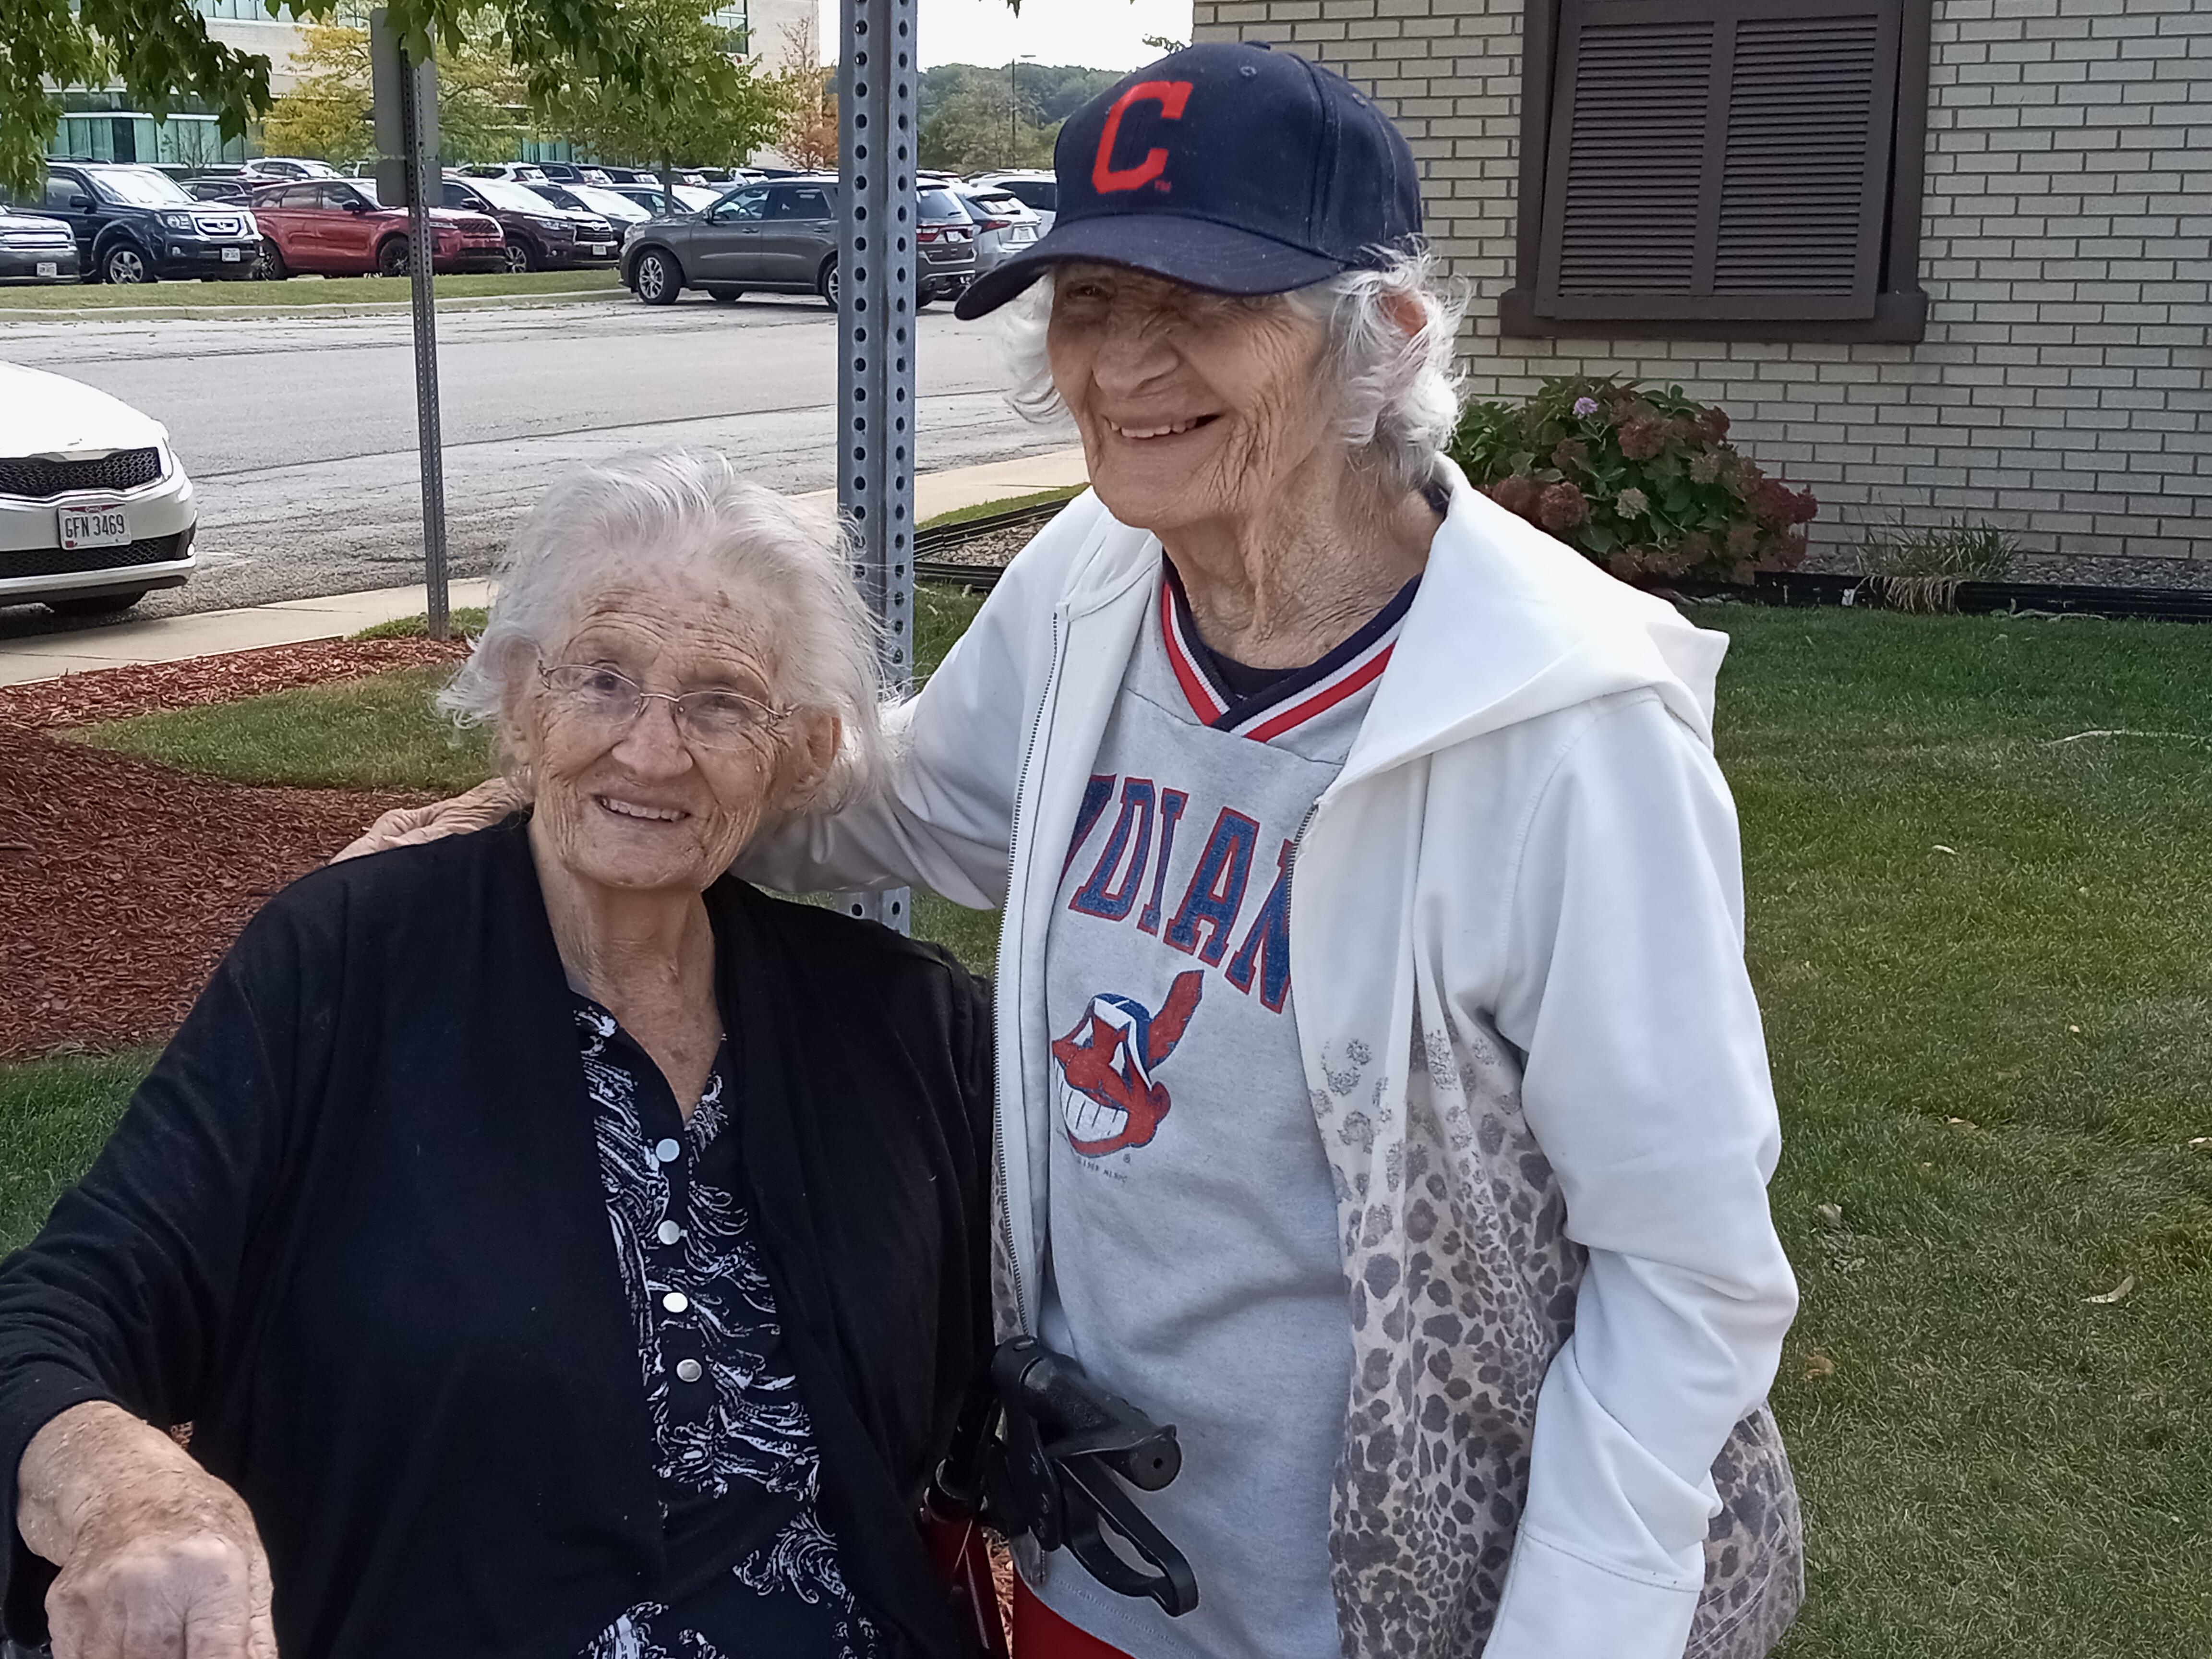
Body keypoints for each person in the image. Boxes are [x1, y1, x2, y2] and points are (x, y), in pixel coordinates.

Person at [352, 41, 1804, 1659]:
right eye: (1091, 299)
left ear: (1377, 338)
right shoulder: (1095, 578)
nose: (1123, 363)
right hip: (1091, 1553)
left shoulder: (1565, 732)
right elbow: (900, 804)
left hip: (1405, 1600)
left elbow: (1682, 1278)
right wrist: (609, 789)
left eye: (1200, 302)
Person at [0, 456, 996, 1659]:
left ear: (803, 753)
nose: (651, 751)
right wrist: (136, 1502)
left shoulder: (897, 1025)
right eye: (605, 680)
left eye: (721, 702)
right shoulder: (348, 964)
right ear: (520, 695)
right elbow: (57, 1313)